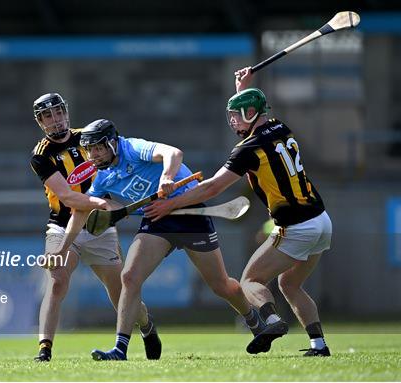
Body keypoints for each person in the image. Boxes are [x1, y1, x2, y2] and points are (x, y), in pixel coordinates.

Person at [145, 67, 332, 357]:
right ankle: (318, 345)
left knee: (250, 281)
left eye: (236, 114)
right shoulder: (281, 127)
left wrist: (170, 204)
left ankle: (271, 321)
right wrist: (243, 90)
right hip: (322, 221)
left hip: (296, 226)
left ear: (248, 113)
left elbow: (211, 189)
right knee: (289, 283)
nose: (232, 120)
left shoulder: (248, 148)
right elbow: (258, 117)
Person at [56, 118, 266, 361]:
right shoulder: (103, 177)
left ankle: (253, 319)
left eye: (98, 148)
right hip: (157, 220)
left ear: (112, 143)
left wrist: (167, 177)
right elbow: (80, 210)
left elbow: (173, 152)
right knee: (129, 276)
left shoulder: (131, 148)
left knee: (221, 285)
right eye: (89, 149)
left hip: (188, 211)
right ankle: (120, 349)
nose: (93, 154)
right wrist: (63, 247)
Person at [29, 93, 161, 362]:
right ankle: (45, 349)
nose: (55, 120)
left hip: (99, 228)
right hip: (63, 226)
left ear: (66, 112)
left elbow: (120, 168)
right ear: (41, 123)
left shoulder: (90, 137)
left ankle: (146, 325)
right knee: (57, 281)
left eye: (58, 113)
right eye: (48, 116)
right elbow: (67, 197)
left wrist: (119, 201)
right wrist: (102, 203)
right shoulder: (41, 156)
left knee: (119, 291)